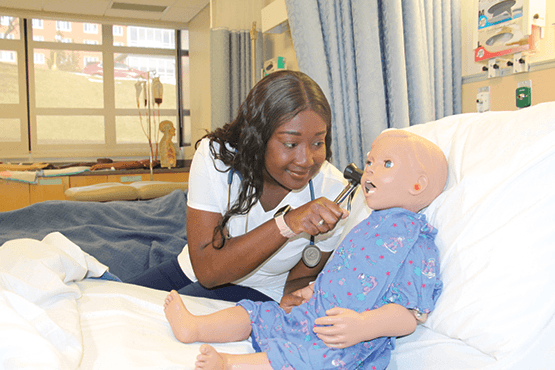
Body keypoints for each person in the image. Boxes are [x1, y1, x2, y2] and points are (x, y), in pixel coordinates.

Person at [162, 129, 448, 370]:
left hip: (348, 341)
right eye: (370, 161)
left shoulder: (416, 244)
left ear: (417, 185)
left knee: (310, 357)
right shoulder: (367, 226)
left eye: (386, 164)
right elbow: (342, 269)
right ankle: (195, 328)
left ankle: (230, 364)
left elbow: (409, 315)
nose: (369, 169)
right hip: (312, 313)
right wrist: (312, 289)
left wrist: (363, 325)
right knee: (255, 313)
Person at [128, 70, 350, 306]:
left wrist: (291, 300)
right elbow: (208, 272)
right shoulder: (215, 157)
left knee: (165, 328)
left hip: (262, 293)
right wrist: (288, 224)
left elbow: (303, 275)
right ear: (258, 137)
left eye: (318, 142)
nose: (306, 159)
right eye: (290, 144)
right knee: (117, 305)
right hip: (195, 271)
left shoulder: (334, 191)